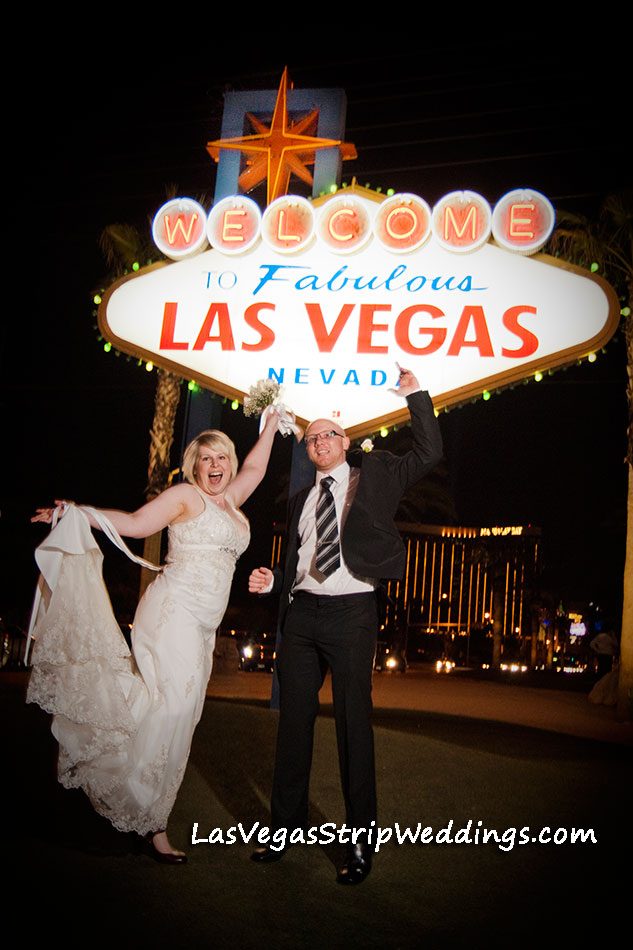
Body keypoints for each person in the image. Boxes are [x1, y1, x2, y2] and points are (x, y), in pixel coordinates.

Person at [29, 411, 280, 863]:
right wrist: (78, 513)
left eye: (222, 457)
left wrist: (272, 423)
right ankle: (148, 819)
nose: (216, 465)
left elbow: (257, 467)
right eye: (206, 458)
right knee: (174, 711)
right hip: (172, 614)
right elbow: (136, 523)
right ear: (194, 466)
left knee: (179, 715)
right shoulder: (186, 496)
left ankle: (150, 815)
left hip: (203, 626)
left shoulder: (231, 500)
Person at [248, 367, 443, 884]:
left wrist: (415, 395)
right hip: (302, 617)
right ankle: (283, 831)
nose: (319, 443)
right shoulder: (301, 500)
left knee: (354, 728)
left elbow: (429, 453)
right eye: (312, 438)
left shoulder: (375, 474)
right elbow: (298, 560)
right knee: (293, 726)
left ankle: (360, 844)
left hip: (353, 613)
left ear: (345, 440)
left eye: (328, 434)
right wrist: (275, 582)